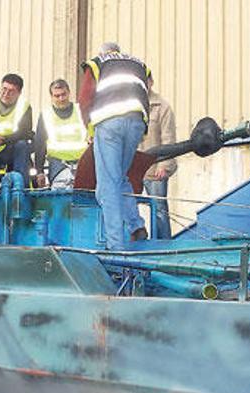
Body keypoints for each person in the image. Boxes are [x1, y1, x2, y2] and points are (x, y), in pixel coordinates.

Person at [78, 42, 150, 250]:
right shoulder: (139, 64)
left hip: (109, 123)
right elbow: (145, 90)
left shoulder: (98, 62)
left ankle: (115, 245)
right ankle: (137, 227)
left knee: (107, 186)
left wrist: (90, 130)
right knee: (120, 177)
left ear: (104, 53)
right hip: (136, 122)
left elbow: (84, 99)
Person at [138, 72, 177, 239]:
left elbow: (168, 138)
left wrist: (164, 165)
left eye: (146, 80)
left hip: (155, 169)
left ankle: (164, 245)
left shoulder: (162, 107)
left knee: (159, 209)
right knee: (128, 207)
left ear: (151, 81)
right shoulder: (131, 105)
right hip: (133, 168)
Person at [34, 79, 89, 189]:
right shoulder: (46, 115)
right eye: (57, 96)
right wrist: (39, 171)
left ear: (69, 93)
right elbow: (40, 144)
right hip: (58, 165)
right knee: (59, 197)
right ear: (51, 97)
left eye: (63, 94)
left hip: (83, 164)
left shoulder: (81, 110)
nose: (61, 98)